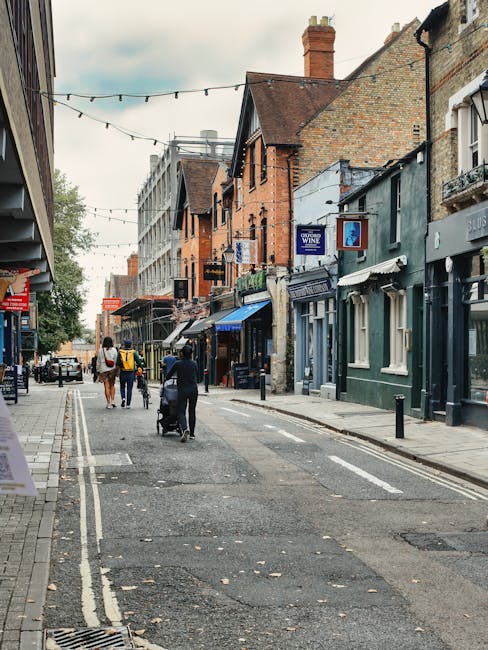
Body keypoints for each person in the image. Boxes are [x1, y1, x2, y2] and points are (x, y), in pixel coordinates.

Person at [165, 344, 198, 443]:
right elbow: (199, 376)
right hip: (193, 390)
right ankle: (192, 434)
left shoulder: (178, 364)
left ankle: (184, 429)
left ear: (182, 353)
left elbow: (168, 376)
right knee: (192, 411)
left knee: (181, 411)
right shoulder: (194, 363)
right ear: (191, 354)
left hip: (182, 390)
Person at [116, 339, 143, 409]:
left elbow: (117, 363)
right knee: (129, 388)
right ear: (131, 345)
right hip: (131, 372)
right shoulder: (133, 352)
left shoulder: (120, 352)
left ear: (124, 345)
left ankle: (123, 398)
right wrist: (141, 366)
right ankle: (128, 404)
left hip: (122, 371)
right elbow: (138, 362)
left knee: (122, 386)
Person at [96, 336, 118, 409]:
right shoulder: (114, 350)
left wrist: (97, 370)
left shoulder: (101, 350)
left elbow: (98, 361)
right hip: (112, 369)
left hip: (103, 370)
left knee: (106, 386)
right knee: (112, 385)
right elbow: (115, 360)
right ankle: (113, 401)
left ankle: (108, 403)